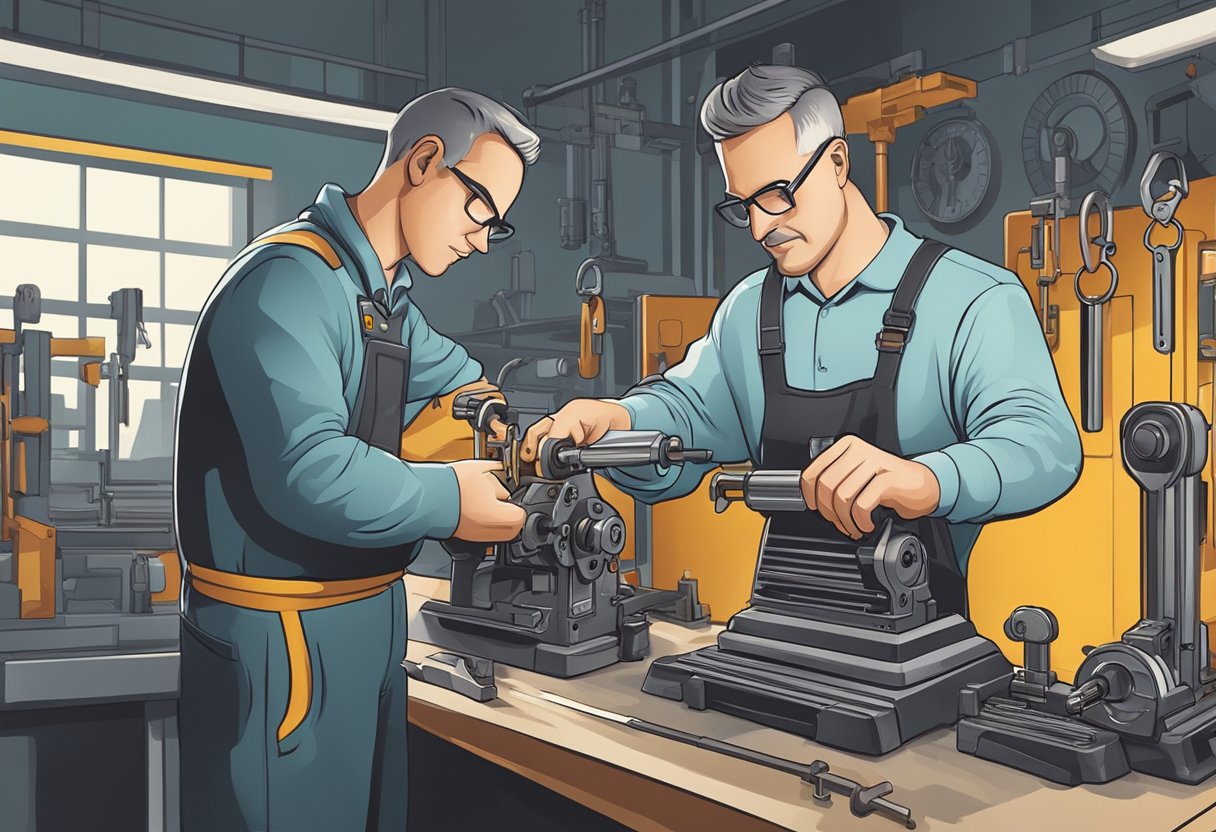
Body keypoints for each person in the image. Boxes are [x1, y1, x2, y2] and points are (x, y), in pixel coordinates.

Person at [522, 64, 1081, 607]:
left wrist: (927, 478)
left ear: (837, 161)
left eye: (777, 193)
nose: (763, 226)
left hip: (916, 639)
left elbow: (1044, 447)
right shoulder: (750, 309)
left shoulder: (972, 299)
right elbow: (690, 414)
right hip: (777, 622)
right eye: (744, 206)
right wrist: (618, 422)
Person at [174, 87, 536, 831]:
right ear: (426, 162)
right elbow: (309, 472)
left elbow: (455, 376)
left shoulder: (383, 296)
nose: (481, 238)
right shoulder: (287, 285)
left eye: (496, 226)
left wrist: (505, 422)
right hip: (284, 648)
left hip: (369, 627)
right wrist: (448, 499)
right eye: (480, 211)